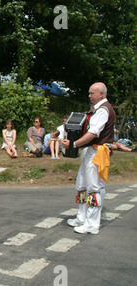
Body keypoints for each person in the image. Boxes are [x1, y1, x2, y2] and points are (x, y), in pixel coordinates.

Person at [61, 82, 115, 235]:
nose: (90, 96)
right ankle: (82, 217)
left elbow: (93, 133)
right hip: (90, 150)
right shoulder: (97, 110)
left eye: (92, 93)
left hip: (97, 152)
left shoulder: (104, 110)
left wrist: (74, 144)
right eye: (89, 93)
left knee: (94, 187)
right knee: (83, 184)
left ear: (101, 94)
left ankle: (92, 224)